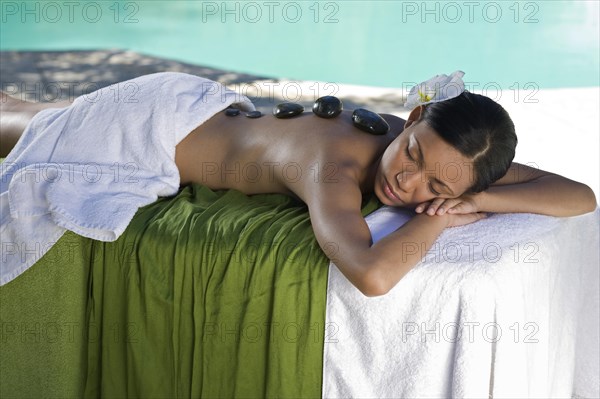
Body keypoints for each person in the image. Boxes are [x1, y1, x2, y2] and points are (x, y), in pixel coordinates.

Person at [0, 72, 596, 296]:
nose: (407, 179)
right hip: (143, 133)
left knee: (29, 114)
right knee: (24, 128)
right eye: (412, 154)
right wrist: (434, 216)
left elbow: (580, 195)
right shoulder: (332, 169)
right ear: (413, 118)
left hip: (188, 107)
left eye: (435, 183)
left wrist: (479, 196)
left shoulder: (454, 164)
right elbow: (372, 275)